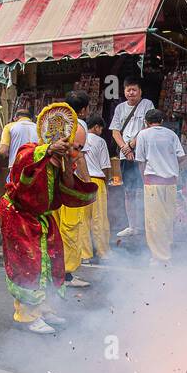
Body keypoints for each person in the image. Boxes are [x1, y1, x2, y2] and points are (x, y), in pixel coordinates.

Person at [0, 110, 95, 335]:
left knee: (51, 261)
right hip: (19, 215)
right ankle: (26, 315)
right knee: (28, 265)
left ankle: (44, 308)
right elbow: (23, 162)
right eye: (75, 147)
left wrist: (68, 167)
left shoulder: (63, 162)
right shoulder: (32, 150)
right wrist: (49, 150)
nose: (77, 153)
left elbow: (69, 192)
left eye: (80, 149)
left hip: (42, 217)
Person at [133, 109, 184, 266]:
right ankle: (166, 249)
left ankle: (160, 257)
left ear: (146, 122)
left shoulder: (143, 135)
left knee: (154, 221)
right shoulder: (171, 134)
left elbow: (140, 160)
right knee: (168, 218)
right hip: (170, 183)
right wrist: (169, 164)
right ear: (162, 120)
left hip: (153, 182)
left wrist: (144, 179)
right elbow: (181, 157)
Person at [55, 90, 93, 287]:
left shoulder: (55, 121)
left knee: (56, 229)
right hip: (66, 184)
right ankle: (66, 275)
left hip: (51, 184)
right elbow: (76, 157)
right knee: (70, 230)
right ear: (84, 109)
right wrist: (86, 184)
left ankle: (56, 273)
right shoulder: (78, 127)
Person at [110, 77, 154, 238]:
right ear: (124, 91)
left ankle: (146, 224)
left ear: (140, 91)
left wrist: (131, 145)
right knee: (129, 191)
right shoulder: (120, 108)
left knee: (144, 189)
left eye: (134, 89)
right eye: (128, 90)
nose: (131, 93)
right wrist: (124, 148)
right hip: (125, 155)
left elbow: (147, 127)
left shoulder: (147, 104)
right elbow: (115, 131)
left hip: (142, 154)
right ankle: (132, 225)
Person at [81, 112, 111, 261]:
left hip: (80, 182)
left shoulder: (79, 138)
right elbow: (105, 167)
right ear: (97, 127)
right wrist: (106, 185)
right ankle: (103, 252)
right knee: (99, 218)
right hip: (97, 181)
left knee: (83, 220)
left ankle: (84, 253)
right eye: (101, 129)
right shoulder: (100, 141)